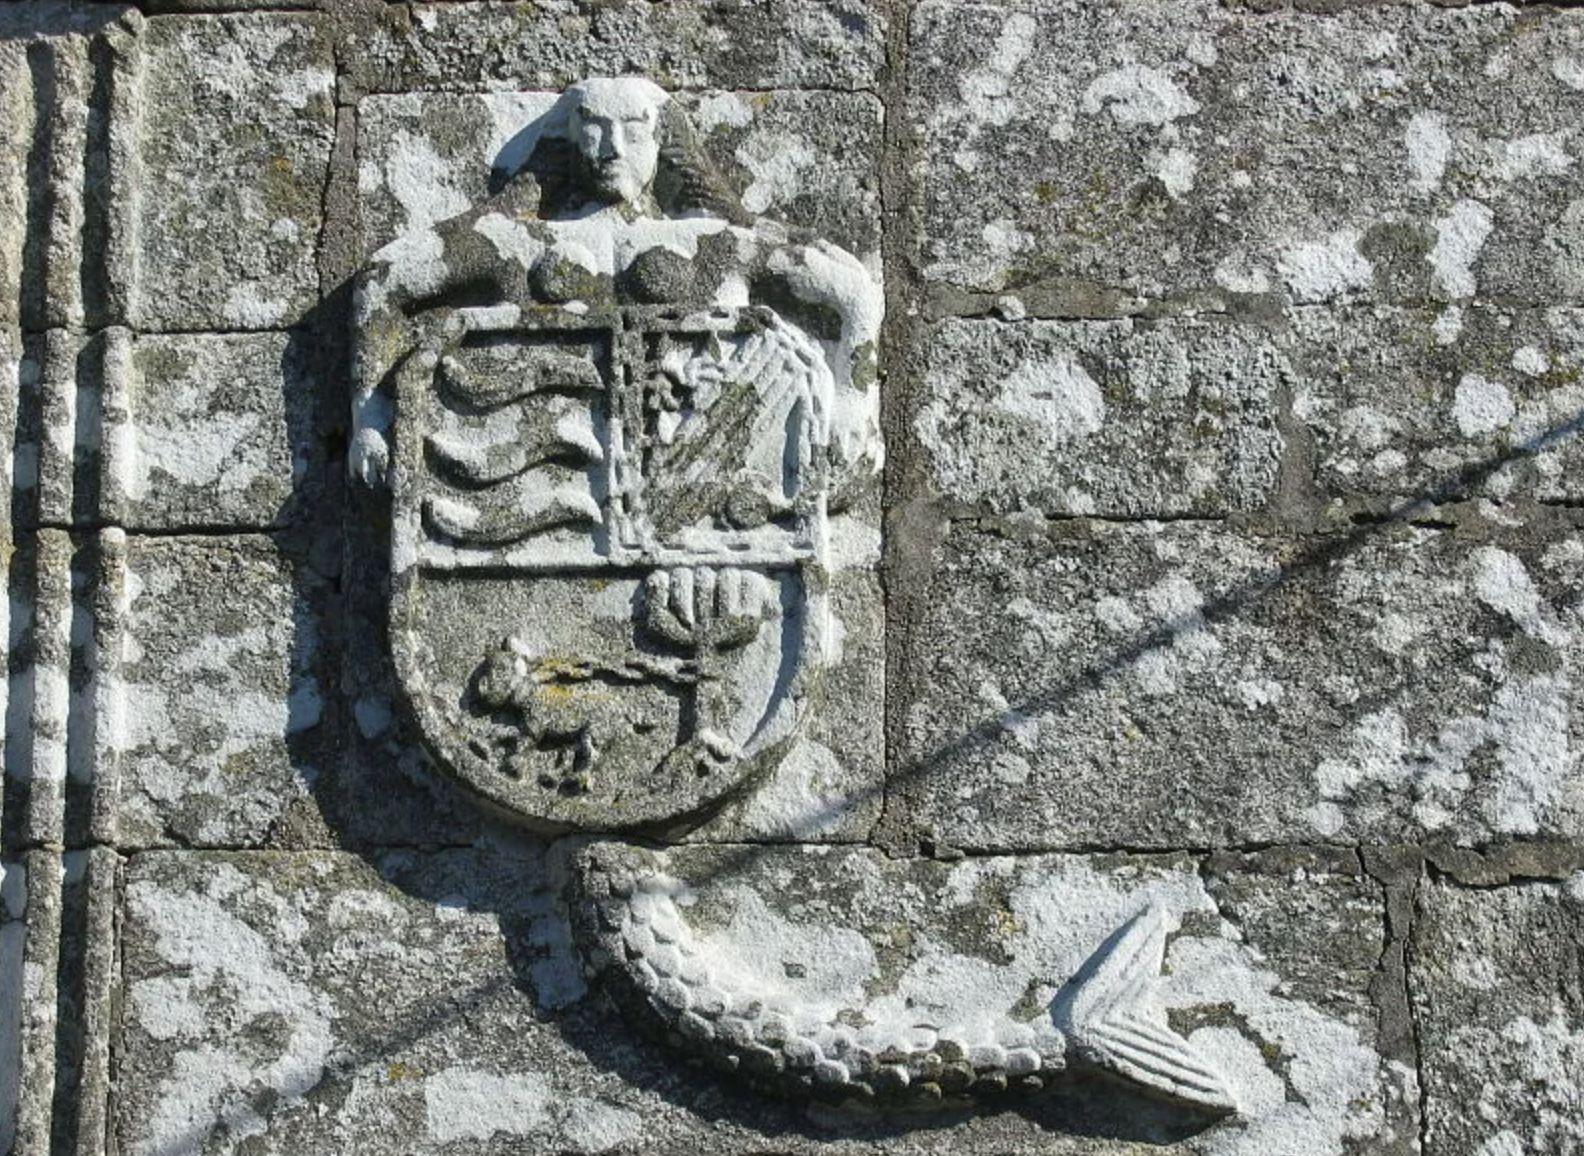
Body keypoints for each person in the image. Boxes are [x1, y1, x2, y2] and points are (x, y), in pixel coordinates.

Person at [349, 77, 882, 512]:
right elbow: (383, 282)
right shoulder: (516, 242)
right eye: (595, 129)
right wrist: (367, 418)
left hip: (703, 496)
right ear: (569, 139)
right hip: (539, 490)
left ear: (663, 140)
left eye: (632, 129)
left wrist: (854, 403)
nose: (613, 149)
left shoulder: (721, 243)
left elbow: (854, 291)